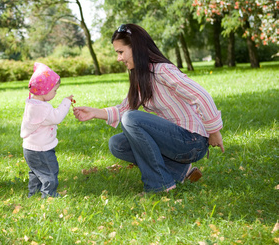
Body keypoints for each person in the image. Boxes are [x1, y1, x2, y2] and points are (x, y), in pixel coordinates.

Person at [73, 24, 224, 193]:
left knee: (131, 119)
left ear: (136, 48)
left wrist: (214, 131)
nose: (118, 58)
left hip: (191, 142)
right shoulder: (142, 76)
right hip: (174, 142)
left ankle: (159, 185)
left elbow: (201, 95)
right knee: (117, 144)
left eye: (120, 52)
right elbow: (124, 108)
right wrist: (94, 112)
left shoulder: (162, 70)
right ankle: (180, 172)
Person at [20, 62, 74, 198]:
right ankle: (49, 195)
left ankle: (33, 193)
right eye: (54, 90)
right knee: (50, 171)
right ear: (44, 90)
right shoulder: (42, 108)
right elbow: (57, 117)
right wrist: (66, 102)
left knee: (36, 172)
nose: (55, 93)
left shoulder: (33, 103)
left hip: (30, 149)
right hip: (41, 150)